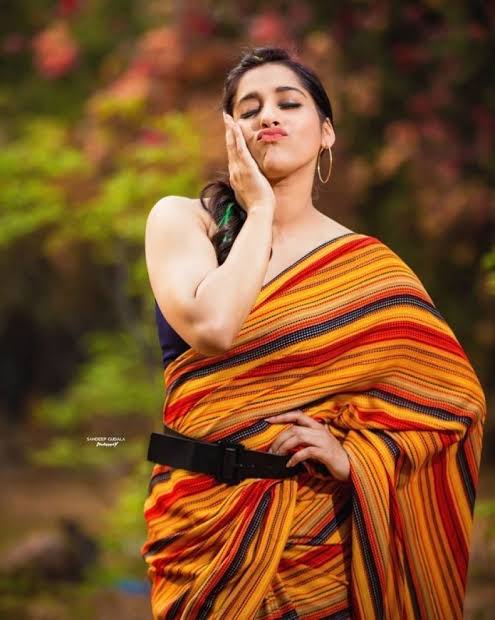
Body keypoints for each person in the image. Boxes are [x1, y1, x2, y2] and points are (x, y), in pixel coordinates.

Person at [140, 47, 486, 619]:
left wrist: (356, 459)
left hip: (316, 537)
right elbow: (214, 327)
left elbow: (454, 406)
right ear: (231, 134)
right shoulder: (184, 221)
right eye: (248, 109)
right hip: (198, 527)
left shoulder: (368, 268)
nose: (268, 116)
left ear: (326, 132)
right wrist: (259, 212)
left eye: (289, 103)